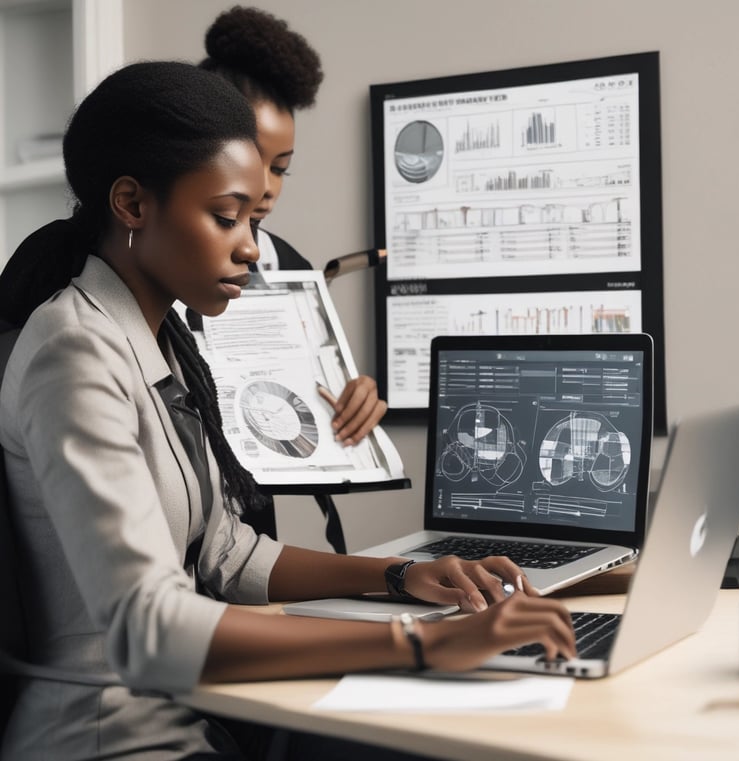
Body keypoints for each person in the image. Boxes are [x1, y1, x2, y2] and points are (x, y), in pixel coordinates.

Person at [0, 60, 575, 761]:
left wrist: (398, 576)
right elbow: (146, 625)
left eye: (251, 215)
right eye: (224, 216)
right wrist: (423, 642)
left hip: (196, 713)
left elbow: (225, 551)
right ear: (131, 203)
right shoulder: (73, 351)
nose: (249, 246)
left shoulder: (164, 342)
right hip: (109, 733)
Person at [198, 6, 385, 551]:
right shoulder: (145, 272)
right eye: (255, 160)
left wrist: (349, 400)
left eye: (281, 168)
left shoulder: (291, 268)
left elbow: (292, 414)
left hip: (249, 549)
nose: (268, 186)